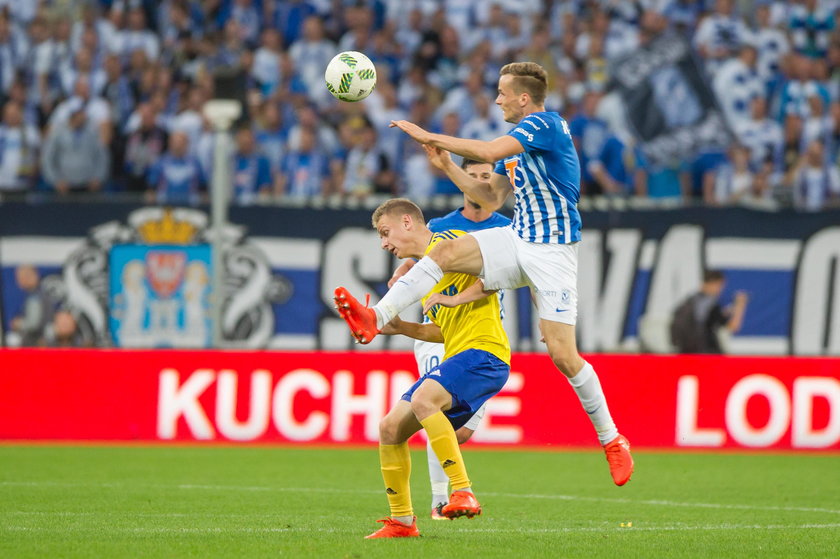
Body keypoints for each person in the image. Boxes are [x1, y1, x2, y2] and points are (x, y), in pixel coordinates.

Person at [335, 62, 634, 487]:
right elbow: (490, 197)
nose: (497, 100)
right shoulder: (521, 151)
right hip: (518, 237)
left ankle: (612, 440)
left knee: (564, 355)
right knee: (447, 251)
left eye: (502, 93)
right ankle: (375, 318)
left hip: (553, 251)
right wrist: (447, 167)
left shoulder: (546, 125)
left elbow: (490, 152)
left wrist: (429, 135)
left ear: (523, 99)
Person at [335, 198, 511, 539]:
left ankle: (462, 491)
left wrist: (453, 298)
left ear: (407, 222)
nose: (384, 243)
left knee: (424, 400)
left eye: (385, 233)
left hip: (486, 352)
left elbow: (497, 276)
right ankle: (401, 522)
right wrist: (401, 327)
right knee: (389, 428)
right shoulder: (425, 275)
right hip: (460, 353)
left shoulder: (453, 243)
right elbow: (443, 332)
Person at [388, 159, 511, 520]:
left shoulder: (506, 229)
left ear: (494, 183)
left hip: (481, 329)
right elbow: (416, 261)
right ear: (462, 182)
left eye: (485, 177)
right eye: (471, 175)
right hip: (439, 331)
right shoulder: (441, 228)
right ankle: (442, 499)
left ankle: (452, 493)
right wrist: (402, 277)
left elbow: (519, 272)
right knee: (429, 406)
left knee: (461, 432)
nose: (477, 182)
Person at [670, 270, 749, 354]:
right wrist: (740, 306)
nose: (721, 290)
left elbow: (707, 319)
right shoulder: (712, 305)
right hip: (707, 353)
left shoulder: (690, 301)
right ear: (714, 283)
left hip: (686, 352)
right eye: (720, 286)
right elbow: (733, 327)